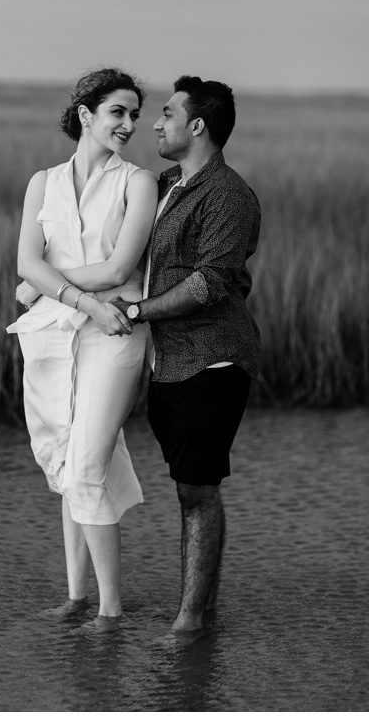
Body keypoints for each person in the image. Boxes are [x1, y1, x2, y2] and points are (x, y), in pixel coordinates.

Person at [6, 67, 158, 634]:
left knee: (89, 464)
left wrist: (49, 282)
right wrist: (69, 295)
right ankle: (75, 597)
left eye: (135, 116)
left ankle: (110, 610)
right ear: (86, 114)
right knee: (68, 463)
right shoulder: (41, 182)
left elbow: (121, 268)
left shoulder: (138, 182)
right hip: (53, 332)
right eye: (117, 112)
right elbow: (26, 264)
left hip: (115, 332)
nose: (128, 124)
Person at [107, 76, 261, 637]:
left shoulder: (228, 195)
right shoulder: (166, 183)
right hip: (170, 363)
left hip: (214, 361)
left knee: (198, 491)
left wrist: (138, 312)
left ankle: (189, 624)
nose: (155, 122)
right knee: (190, 488)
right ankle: (203, 614)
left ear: (197, 125)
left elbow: (210, 284)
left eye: (167, 114)